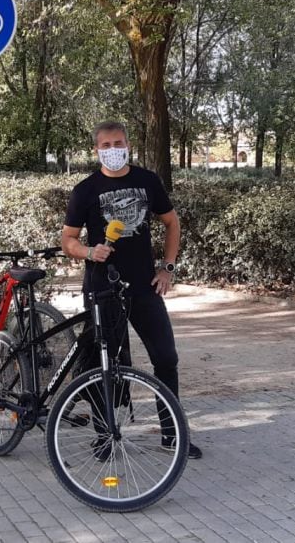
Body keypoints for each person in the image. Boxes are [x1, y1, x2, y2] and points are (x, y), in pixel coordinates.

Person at [60, 120, 202, 460]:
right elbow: (67, 240)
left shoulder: (147, 181)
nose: (113, 151)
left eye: (118, 143)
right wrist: (89, 251)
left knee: (166, 358)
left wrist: (166, 268)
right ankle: (105, 436)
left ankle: (172, 435)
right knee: (106, 365)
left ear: (128, 145)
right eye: (106, 146)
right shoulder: (85, 190)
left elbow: (171, 222)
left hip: (143, 287)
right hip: (102, 289)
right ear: (96, 150)